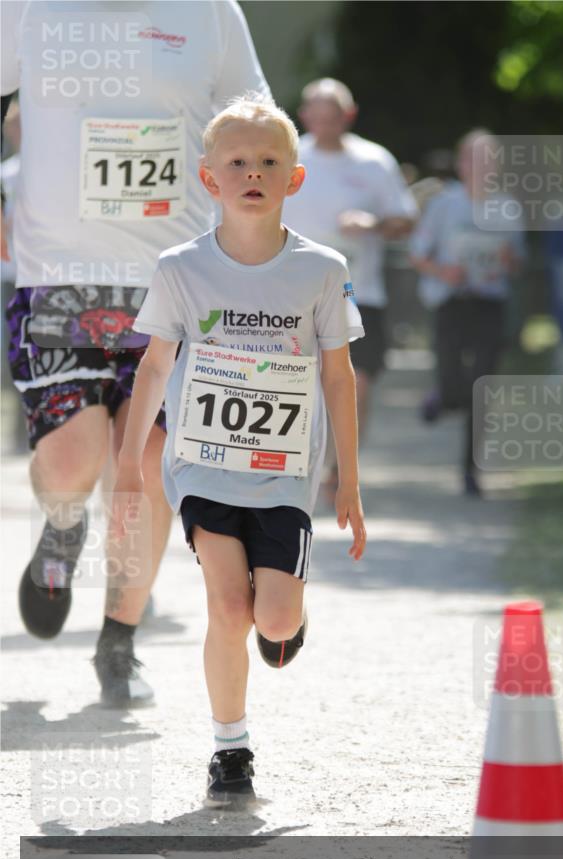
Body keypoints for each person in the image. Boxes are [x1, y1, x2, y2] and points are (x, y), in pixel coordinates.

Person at [0, 0, 270, 708]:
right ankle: (61, 530)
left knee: (144, 464)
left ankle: (118, 643)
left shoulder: (209, 11)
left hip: (172, 276)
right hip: (58, 270)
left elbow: (253, 115)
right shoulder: (26, 8)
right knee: (70, 461)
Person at [111, 95, 367, 805]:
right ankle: (231, 748)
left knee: (275, 620)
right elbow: (155, 366)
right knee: (228, 608)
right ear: (208, 179)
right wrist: (133, 463)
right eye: (237, 163)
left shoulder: (321, 269)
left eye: (268, 162)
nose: (252, 173)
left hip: (284, 474)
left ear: (295, 178)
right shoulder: (181, 267)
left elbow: (338, 376)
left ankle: (290, 608)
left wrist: (347, 481)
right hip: (201, 464)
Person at [282, 77, 417, 460]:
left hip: (359, 293)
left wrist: (372, 224)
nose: (325, 125)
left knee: (357, 385)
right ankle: (303, 464)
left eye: (334, 117)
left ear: (349, 115)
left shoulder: (374, 161)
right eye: (318, 117)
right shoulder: (287, 159)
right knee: (299, 386)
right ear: (304, 116)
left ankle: (342, 466)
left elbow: (406, 220)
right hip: (295, 294)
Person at [409, 129, 525, 497]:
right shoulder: (445, 204)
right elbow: (418, 253)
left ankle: (470, 470)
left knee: (481, 387)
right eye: (473, 159)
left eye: (488, 159)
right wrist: (445, 271)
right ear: (461, 164)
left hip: (489, 303)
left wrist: (508, 261)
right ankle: (441, 398)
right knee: (453, 382)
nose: (480, 167)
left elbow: (519, 262)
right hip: (450, 301)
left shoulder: (508, 208)